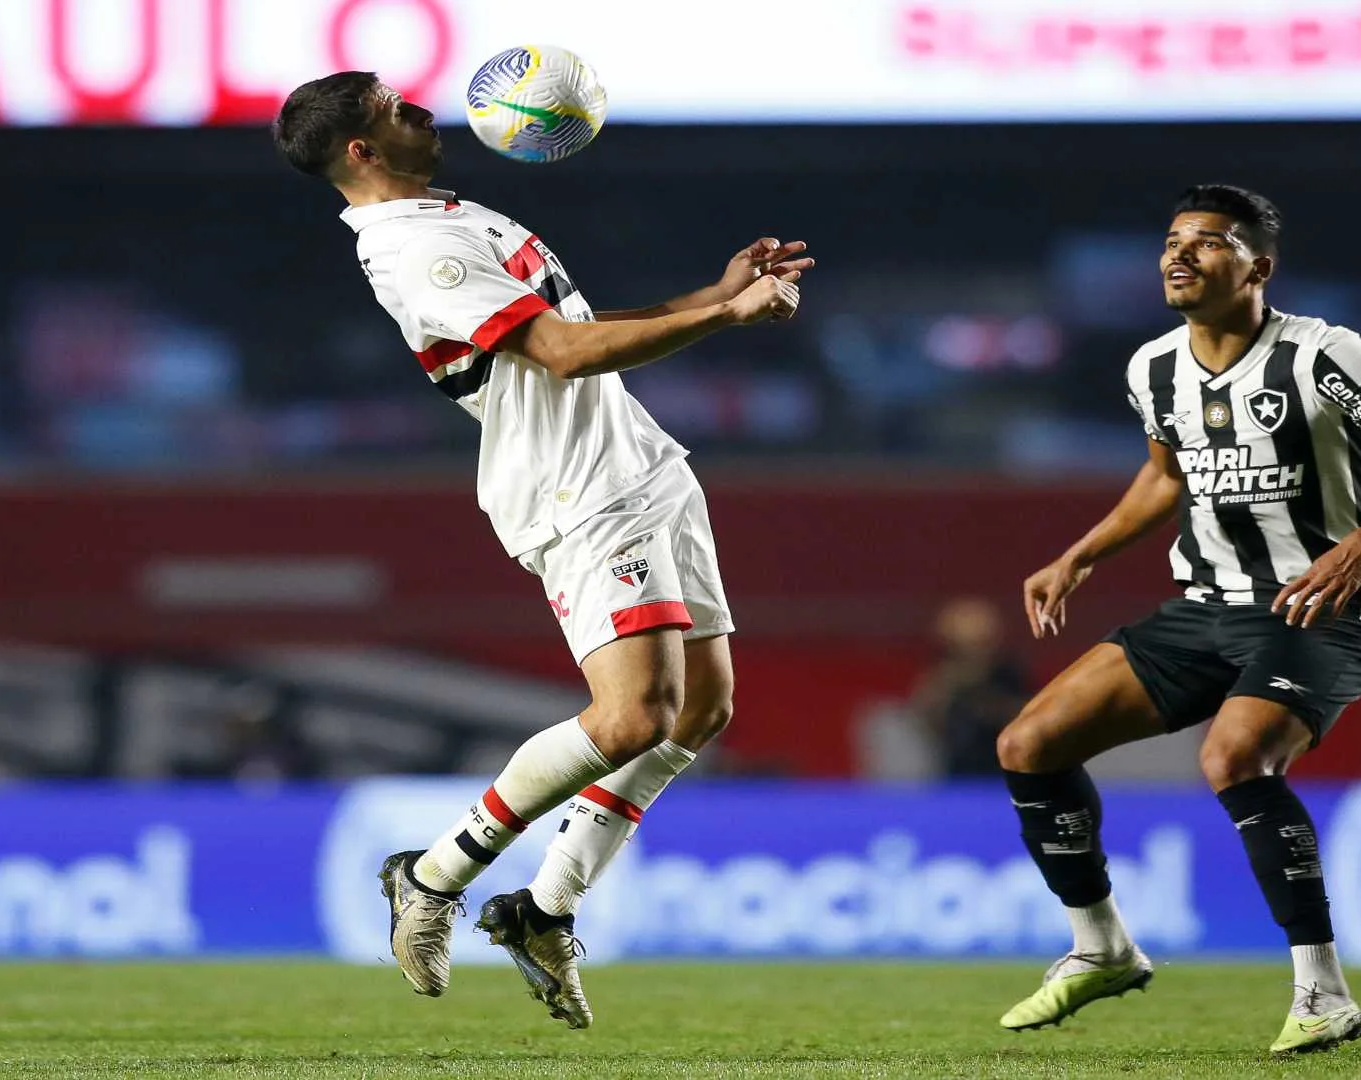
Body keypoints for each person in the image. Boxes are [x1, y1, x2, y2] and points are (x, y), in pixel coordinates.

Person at [272, 72, 809, 1027]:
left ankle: (543, 907)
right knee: (634, 716)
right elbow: (559, 356)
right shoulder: (414, 248)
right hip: (576, 490)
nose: (422, 111)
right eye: (396, 108)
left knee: (705, 709)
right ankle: (433, 877)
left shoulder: (454, 215)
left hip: (639, 463)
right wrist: (727, 320)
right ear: (359, 149)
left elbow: (578, 328)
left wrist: (709, 291)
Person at [993, 185, 1361, 1053]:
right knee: (1028, 745)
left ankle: (1324, 995)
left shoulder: (1324, 354)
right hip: (1205, 608)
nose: (1180, 255)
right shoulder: (1154, 367)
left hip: (1323, 605)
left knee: (1233, 755)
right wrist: (1081, 553)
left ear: (1259, 265)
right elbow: (1165, 475)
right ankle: (1101, 947)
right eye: (1173, 241)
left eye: (1208, 242)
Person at [908, 597, 1032, 777]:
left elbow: (1028, 717)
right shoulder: (943, 674)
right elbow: (924, 718)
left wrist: (991, 707)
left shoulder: (1009, 673)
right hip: (953, 773)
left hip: (1006, 771)